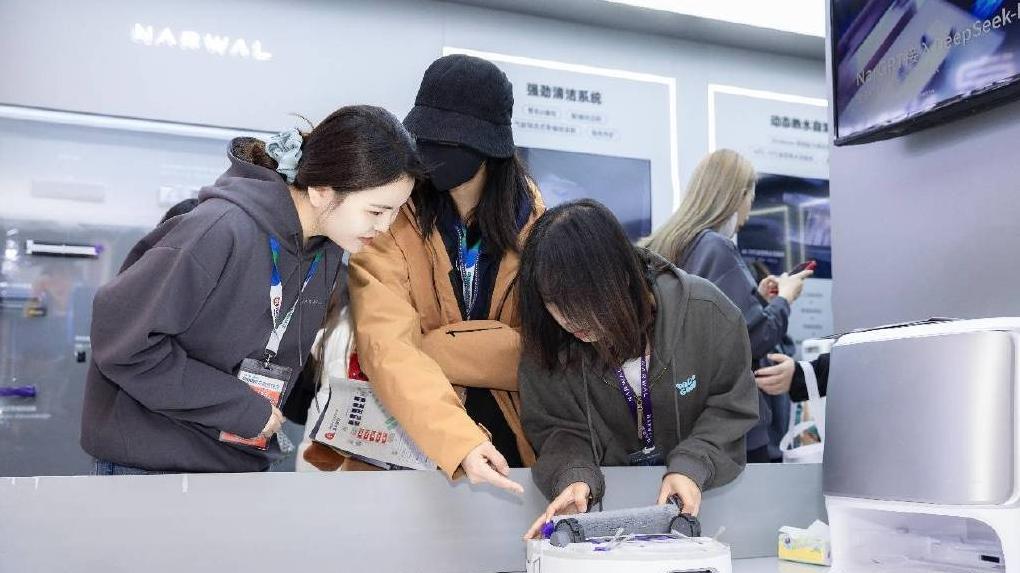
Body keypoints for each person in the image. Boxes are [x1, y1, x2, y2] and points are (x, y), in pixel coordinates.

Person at [81, 105, 424, 474]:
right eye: (376, 212)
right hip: (152, 466)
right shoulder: (220, 230)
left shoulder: (326, 249)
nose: (385, 227)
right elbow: (122, 342)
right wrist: (238, 407)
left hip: (235, 463)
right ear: (322, 191)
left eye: (395, 212)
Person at [338, 54, 543, 492]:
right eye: (424, 136)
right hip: (404, 446)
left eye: (449, 140)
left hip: (516, 448)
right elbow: (386, 346)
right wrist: (458, 438)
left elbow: (543, 352)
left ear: (489, 147)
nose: (430, 153)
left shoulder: (538, 227)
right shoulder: (389, 219)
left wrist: (430, 346)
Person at [518, 200, 759, 537]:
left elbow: (730, 408)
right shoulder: (547, 345)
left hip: (706, 512)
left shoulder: (708, 314)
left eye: (582, 297)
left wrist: (693, 465)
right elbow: (557, 429)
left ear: (621, 275)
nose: (569, 318)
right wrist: (572, 476)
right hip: (605, 527)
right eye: (554, 302)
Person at [641, 149, 813, 463]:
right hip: (729, 419)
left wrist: (759, 300)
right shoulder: (716, 248)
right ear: (739, 195)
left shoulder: (666, 245)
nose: (749, 210)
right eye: (751, 198)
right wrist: (785, 299)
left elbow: (706, 323)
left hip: (679, 412)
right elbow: (751, 337)